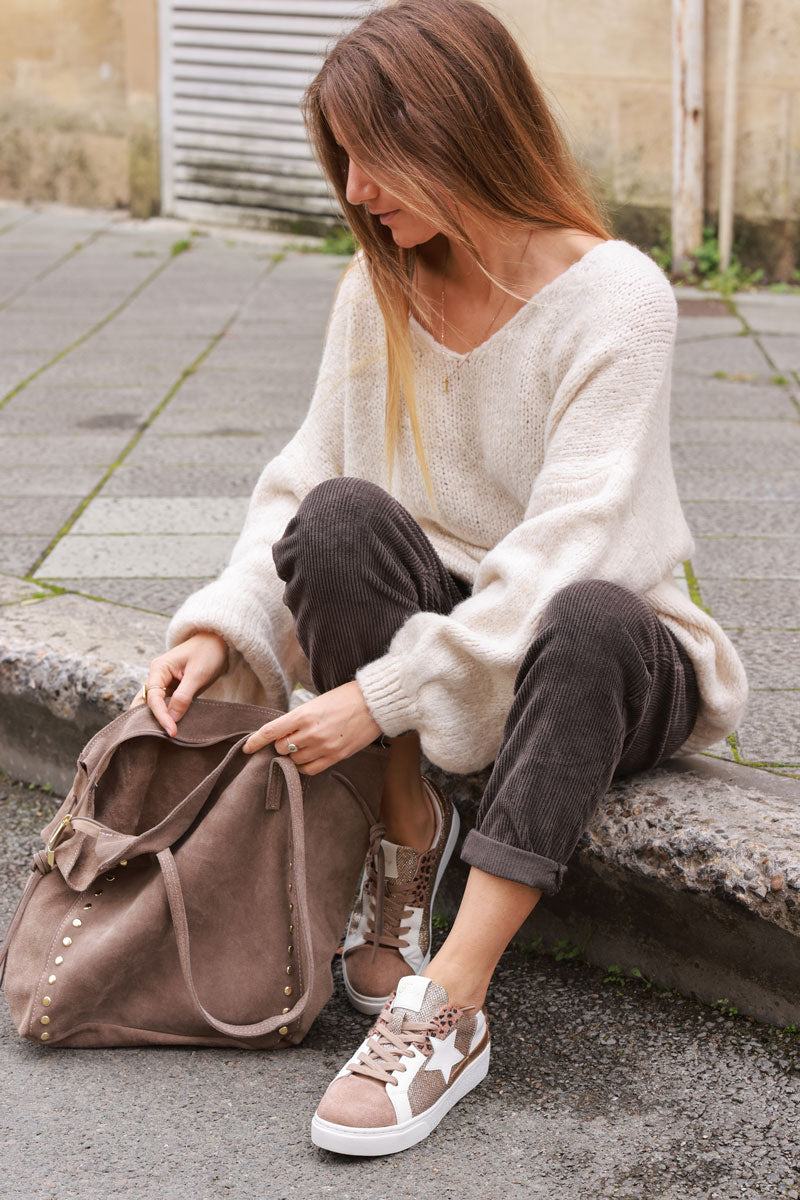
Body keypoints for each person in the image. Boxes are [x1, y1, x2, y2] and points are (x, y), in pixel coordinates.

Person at [136, 0, 748, 1158]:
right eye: (344, 159)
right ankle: (406, 852)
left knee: (586, 615)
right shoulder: (377, 289)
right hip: (454, 627)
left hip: (607, 656)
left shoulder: (617, 297)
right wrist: (220, 625)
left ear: (463, 127)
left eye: (376, 153)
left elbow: (575, 539)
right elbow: (301, 475)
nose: (357, 190)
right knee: (337, 518)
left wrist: (376, 695)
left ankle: (449, 1005)